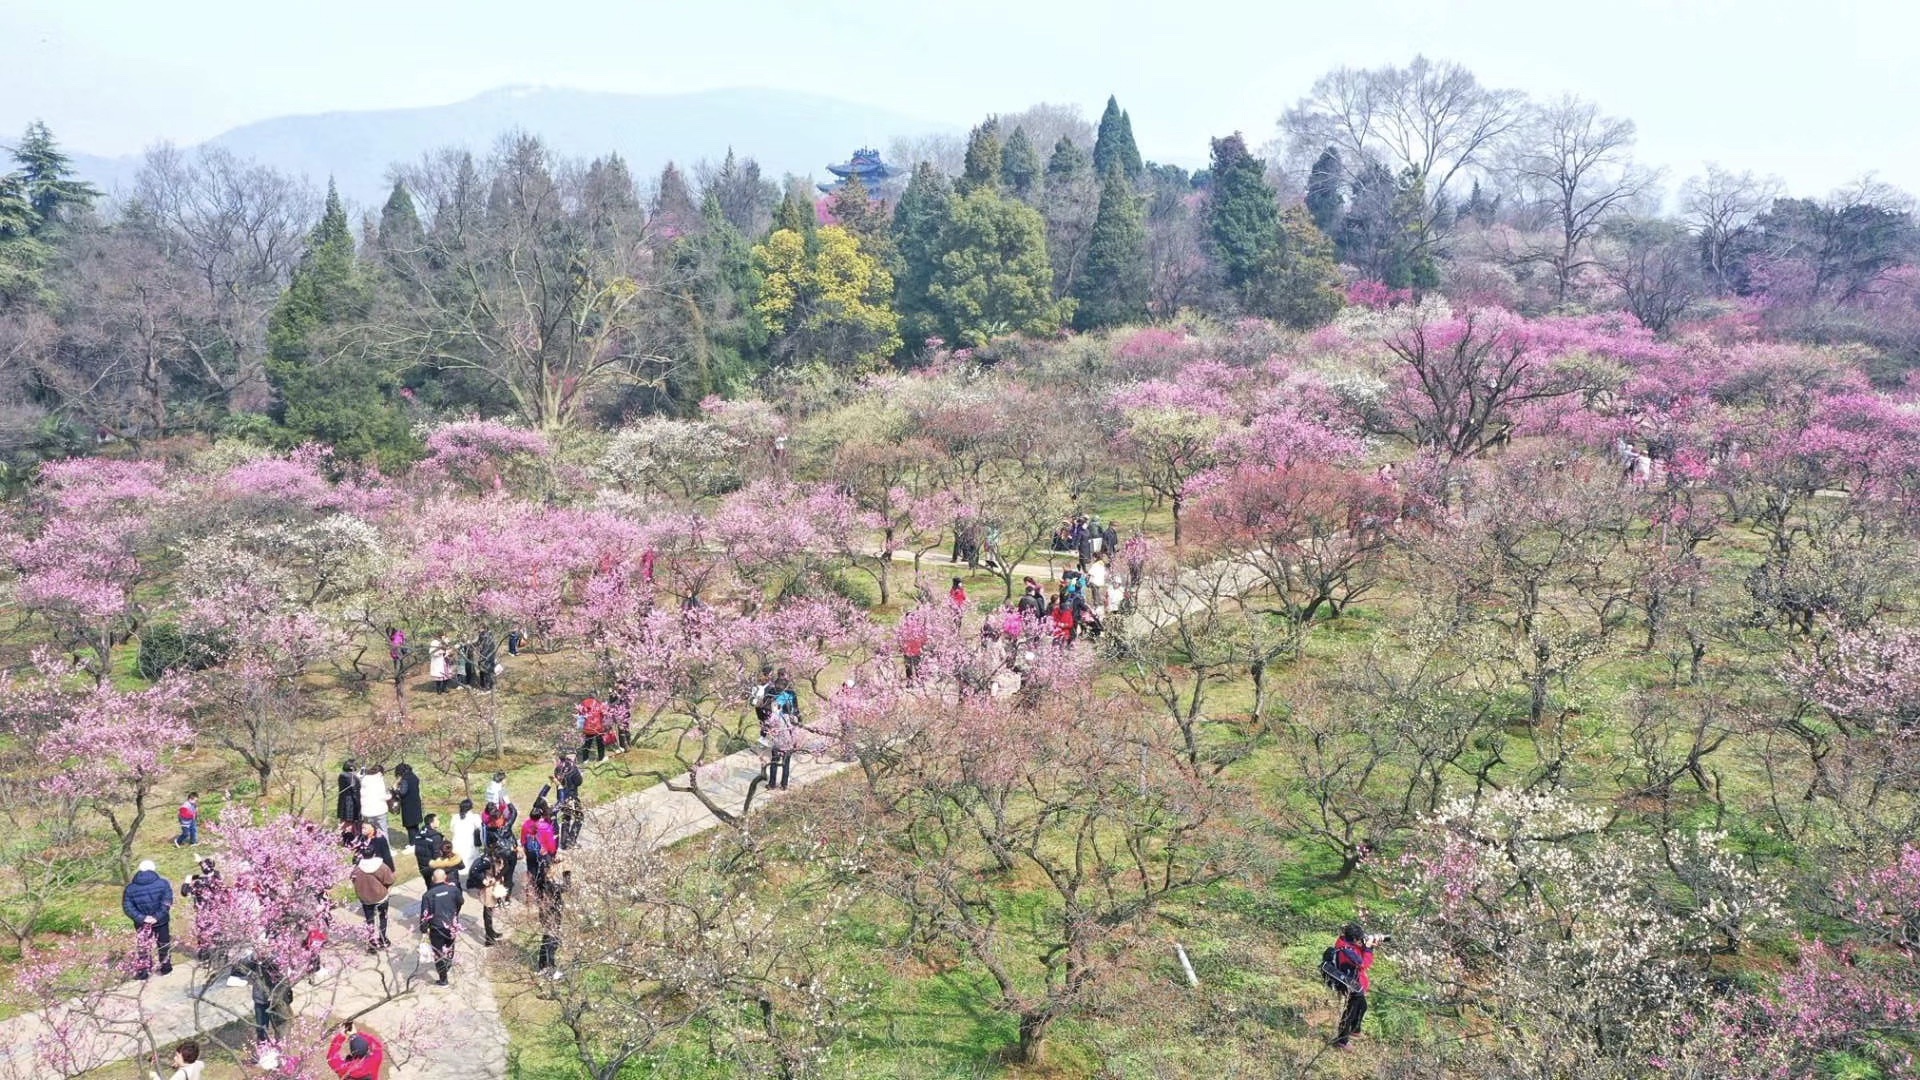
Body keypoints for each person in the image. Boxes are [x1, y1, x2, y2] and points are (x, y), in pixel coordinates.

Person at [122, 858, 174, 978]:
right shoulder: (163, 883)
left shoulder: (130, 888)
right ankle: (166, 968)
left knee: (144, 946)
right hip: (161, 921)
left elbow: (127, 906)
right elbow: (167, 902)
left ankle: (144, 972)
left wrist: (143, 918)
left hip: (142, 924)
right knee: (163, 944)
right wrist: (157, 916)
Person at [1328, 922, 1376, 1048]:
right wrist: (1369, 949)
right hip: (1349, 983)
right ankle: (1342, 1041)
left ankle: (1355, 1030)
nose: (1361, 940)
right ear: (1354, 939)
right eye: (1360, 938)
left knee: (1363, 1006)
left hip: (1353, 981)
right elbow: (1363, 963)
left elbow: (1357, 952)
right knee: (1351, 1011)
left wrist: (1366, 946)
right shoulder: (1347, 950)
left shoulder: (1344, 942)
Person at [419, 869, 464, 986]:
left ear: (433, 879)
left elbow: (425, 914)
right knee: (450, 947)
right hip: (451, 925)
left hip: (436, 928)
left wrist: (423, 929)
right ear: (445, 878)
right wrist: (455, 913)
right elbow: (460, 902)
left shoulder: (428, 895)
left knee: (438, 953)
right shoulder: (453, 890)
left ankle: (443, 979)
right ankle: (447, 964)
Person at [350, 854, 395, 950]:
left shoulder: (357, 869)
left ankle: (371, 941)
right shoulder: (381, 866)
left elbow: (353, 879)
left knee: (369, 920)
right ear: (374, 854)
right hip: (381, 896)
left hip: (366, 898)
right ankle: (383, 939)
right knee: (383, 917)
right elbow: (390, 880)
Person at [536, 865, 569, 978]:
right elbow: (566, 887)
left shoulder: (542, 882)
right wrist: (567, 873)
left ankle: (542, 966)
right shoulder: (549, 885)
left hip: (548, 915)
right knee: (552, 942)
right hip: (551, 916)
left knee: (546, 939)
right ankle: (550, 969)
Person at [449, 798, 484, 879]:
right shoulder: (475, 817)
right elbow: (481, 829)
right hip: (469, 844)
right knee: (471, 864)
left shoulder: (455, 817)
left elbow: (451, 829)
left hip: (457, 844)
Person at [392, 763, 423, 842]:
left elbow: (402, 792)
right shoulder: (414, 776)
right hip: (416, 803)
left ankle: (412, 844)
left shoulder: (405, 779)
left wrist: (395, 789)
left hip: (408, 805)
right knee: (415, 825)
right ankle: (417, 842)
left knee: (410, 826)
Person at [411, 813, 446, 885]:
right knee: (436, 887)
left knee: (428, 885)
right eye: (437, 820)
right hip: (433, 868)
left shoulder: (419, 833)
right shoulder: (435, 836)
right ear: (431, 822)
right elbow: (437, 855)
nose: (439, 821)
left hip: (422, 866)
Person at [358, 766, 390, 835]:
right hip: (379, 811)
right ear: (380, 773)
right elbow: (383, 796)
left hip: (366, 811)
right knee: (383, 831)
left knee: (369, 832)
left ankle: (369, 845)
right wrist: (390, 796)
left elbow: (358, 775)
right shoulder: (379, 780)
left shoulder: (363, 779)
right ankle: (385, 845)